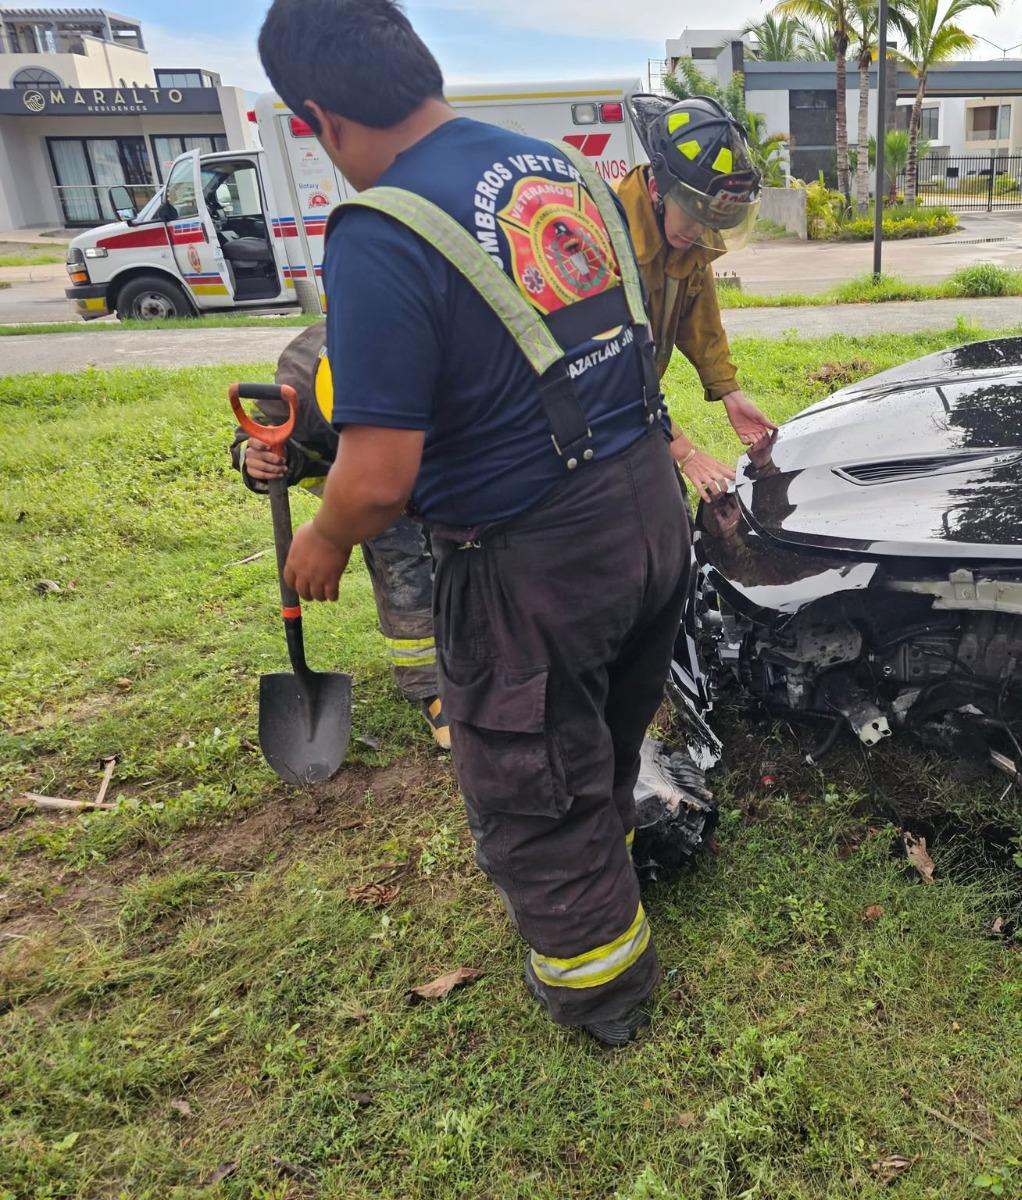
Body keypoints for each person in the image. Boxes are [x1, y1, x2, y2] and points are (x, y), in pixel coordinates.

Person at [258, 0, 689, 1046]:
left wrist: (323, 538)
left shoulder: (382, 229)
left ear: (319, 117)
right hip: (646, 507)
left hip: (535, 559)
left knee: (534, 785)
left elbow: (377, 480)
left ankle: (602, 996)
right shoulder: (565, 170)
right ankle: (616, 869)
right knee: (602, 727)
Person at [230, 322, 450, 750]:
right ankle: (431, 686)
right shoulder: (300, 378)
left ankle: (482, 654)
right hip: (358, 486)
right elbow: (255, 434)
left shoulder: (427, 350)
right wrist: (256, 459)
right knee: (405, 563)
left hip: (434, 464)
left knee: (464, 549)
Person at [619, 94, 778, 500]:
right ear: (656, 188)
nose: (698, 232)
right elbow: (614, 372)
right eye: (693, 215)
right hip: (591, 420)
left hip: (640, 409)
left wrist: (730, 392)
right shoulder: (611, 244)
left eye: (710, 221)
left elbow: (701, 325)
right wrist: (685, 452)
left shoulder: (688, 239)